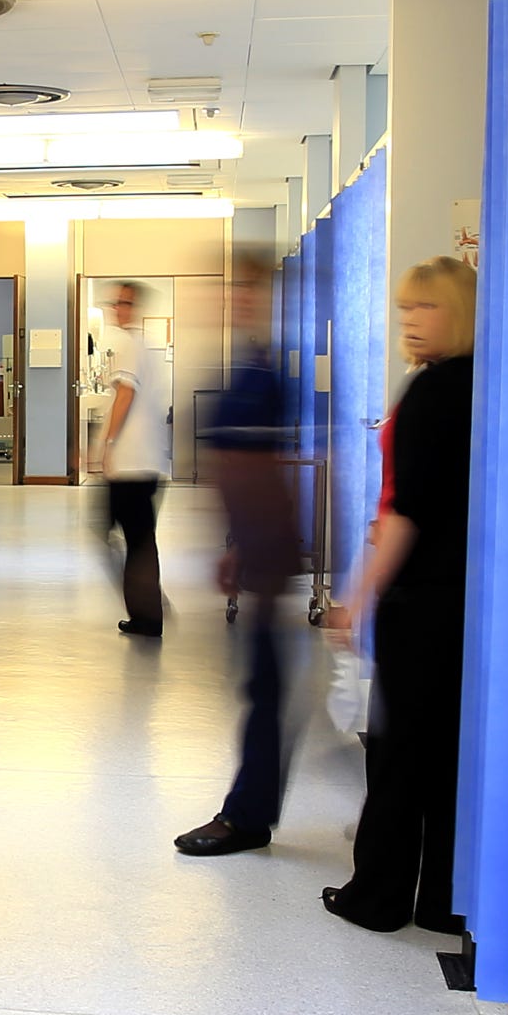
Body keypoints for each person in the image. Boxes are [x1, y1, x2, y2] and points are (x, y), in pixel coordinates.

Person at [320, 256, 477, 934]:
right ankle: (445, 898)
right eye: (405, 309)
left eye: (426, 308)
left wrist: (357, 595)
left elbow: (406, 511)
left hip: (422, 598)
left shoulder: (433, 391)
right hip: (464, 595)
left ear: (460, 312)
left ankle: (376, 895)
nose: (410, 322)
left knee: (396, 750)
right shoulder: (481, 385)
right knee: (445, 752)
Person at [176, 257, 302, 857]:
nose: (234, 302)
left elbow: (258, 473)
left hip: (268, 548)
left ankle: (247, 817)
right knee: (264, 682)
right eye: (228, 292)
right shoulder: (247, 368)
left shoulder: (263, 375)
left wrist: (254, 548)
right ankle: (251, 809)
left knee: (266, 684)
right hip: (256, 544)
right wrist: (233, 544)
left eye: (245, 291)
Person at [95, 280, 170, 637]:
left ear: (135, 308)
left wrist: (107, 443)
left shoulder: (127, 345)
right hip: (144, 462)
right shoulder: (143, 347)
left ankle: (148, 610)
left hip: (131, 465)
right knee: (136, 539)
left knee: (125, 537)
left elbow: (125, 394)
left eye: (125, 303)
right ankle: (148, 606)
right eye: (116, 302)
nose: (118, 309)